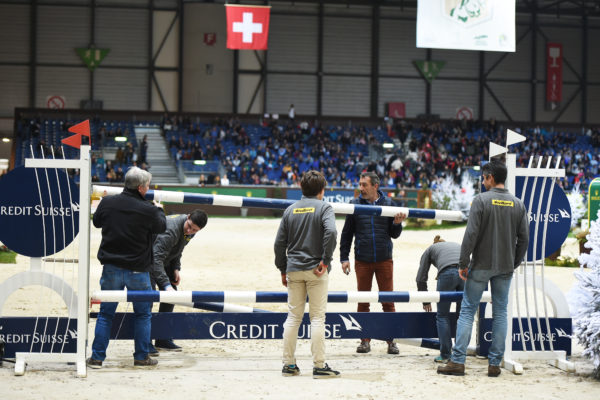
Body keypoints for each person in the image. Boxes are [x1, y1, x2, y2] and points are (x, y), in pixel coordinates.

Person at [438, 159, 529, 377]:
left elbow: (471, 235)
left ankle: (458, 361)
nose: (483, 182)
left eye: (484, 178)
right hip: (504, 266)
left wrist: (463, 261)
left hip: (480, 265)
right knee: (500, 313)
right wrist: (513, 262)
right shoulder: (518, 203)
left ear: (489, 177)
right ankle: (494, 363)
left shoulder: (481, 200)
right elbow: (524, 240)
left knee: (468, 310)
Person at [87, 167, 167, 369]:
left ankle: (97, 358)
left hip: (111, 267)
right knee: (142, 314)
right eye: (147, 185)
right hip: (138, 270)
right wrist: (159, 208)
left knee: (106, 314)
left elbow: (96, 222)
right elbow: (161, 227)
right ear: (141, 187)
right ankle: (141, 357)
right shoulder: (149, 209)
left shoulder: (108, 202)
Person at [274, 170, 340, 379]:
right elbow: (331, 232)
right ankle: (319, 365)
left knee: (293, 317)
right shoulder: (325, 207)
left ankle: (289, 364)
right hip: (316, 270)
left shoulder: (290, 210)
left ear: (301, 188)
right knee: (318, 318)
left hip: (293, 268)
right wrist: (325, 261)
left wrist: (282, 268)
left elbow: (278, 244)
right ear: (322, 190)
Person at [340, 171, 406, 355]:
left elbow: (394, 235)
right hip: (362, 259)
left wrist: (397, 224)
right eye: (360, 184)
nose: (360, 188)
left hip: (384, 259)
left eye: (364, 185)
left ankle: (391, 341)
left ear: (375, 186)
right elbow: (347, 234)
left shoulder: (389, 204)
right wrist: (344, 258)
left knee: (388, 301)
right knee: (363, 301)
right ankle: (364, 341)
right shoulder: (354, 205)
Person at [149, 210, 208, 353]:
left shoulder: (189, 231)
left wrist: (175, 268)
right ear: (187, 217)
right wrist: (165, 284)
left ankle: (162, 339)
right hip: (148, 259)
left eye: (194, 230)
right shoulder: (170, 230)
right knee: (148, 298)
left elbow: (178, 249)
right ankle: (145, 343)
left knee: (171, 296)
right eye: (189, 226)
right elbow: (155, 258)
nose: (190, 231)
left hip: (163, 260)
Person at [416, 235, 463, 363]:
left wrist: (425, 300)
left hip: (447, 273)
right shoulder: (455, 244)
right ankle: (460, 355)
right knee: (464, 315)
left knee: (442, 315)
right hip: (466, 272)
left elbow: (420, 278)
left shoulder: (430, 249)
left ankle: (446, 354)